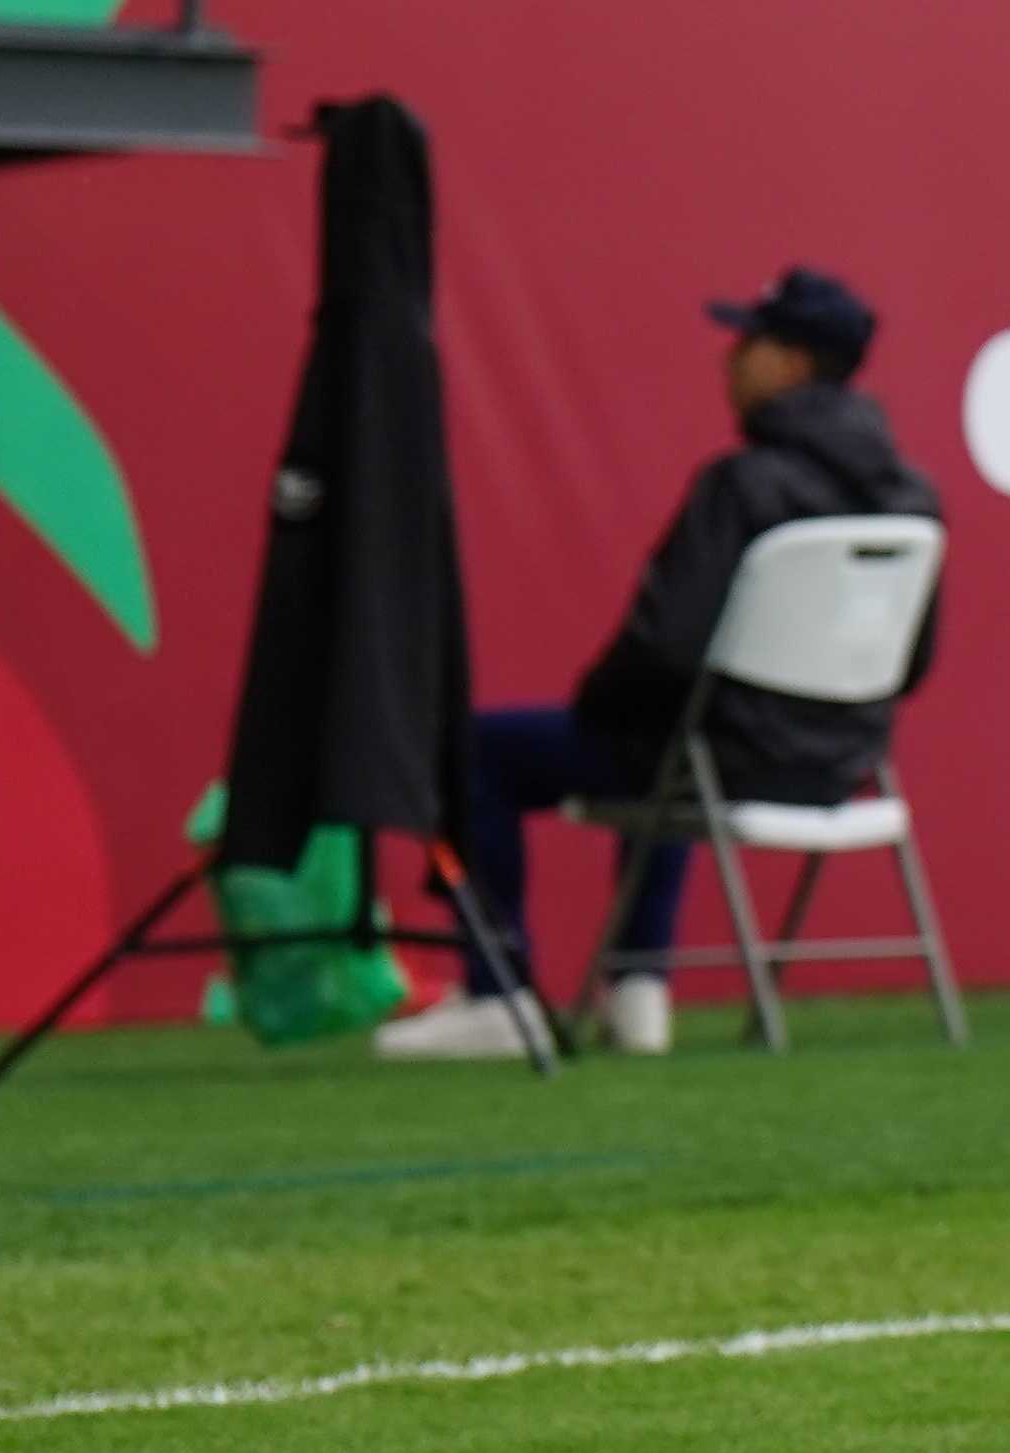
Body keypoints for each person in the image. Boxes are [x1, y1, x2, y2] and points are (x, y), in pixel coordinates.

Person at [385, 270, 935, 1064]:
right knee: (675, 735)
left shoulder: (740, 486)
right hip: (843, 766)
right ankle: (639, 991)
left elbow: (666, 649)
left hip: (727, 755)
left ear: (792, 363)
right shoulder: (914, 499)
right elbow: (910, 662)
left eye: (749, 343)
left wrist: (598, 706)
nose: (729, 359)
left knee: (481, 747)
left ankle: (499, 994)